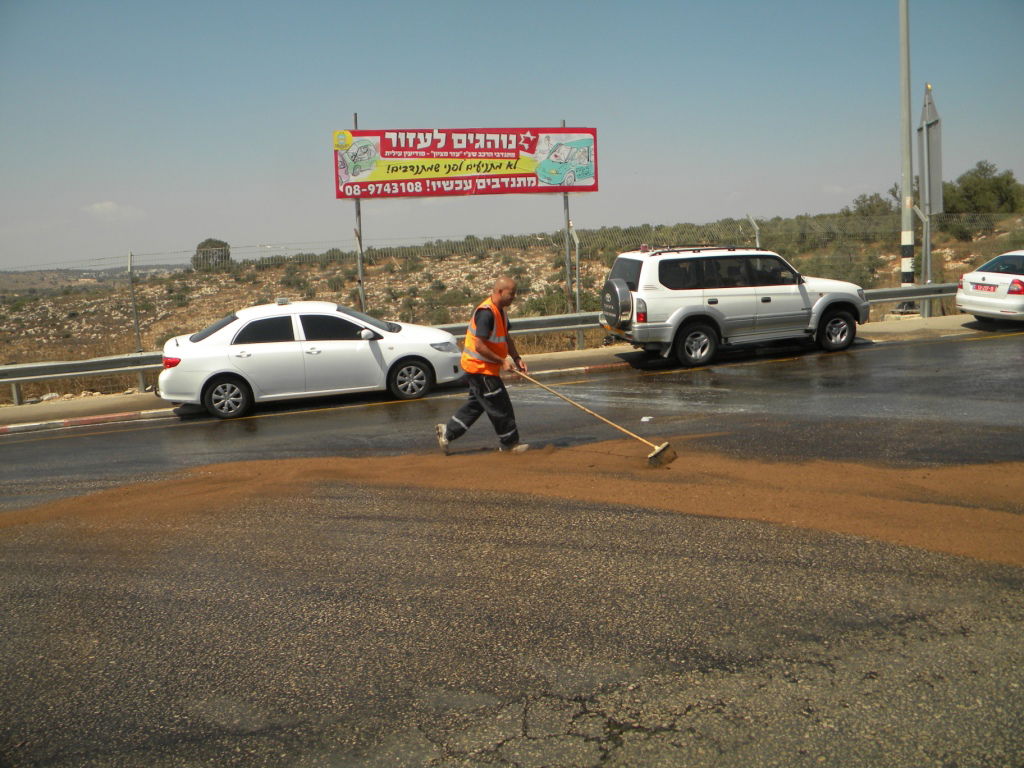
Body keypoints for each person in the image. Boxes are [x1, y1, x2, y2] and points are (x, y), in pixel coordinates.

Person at [436, 277, 529, 454]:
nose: (514, 297)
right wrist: (502, 361)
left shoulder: (500, 311)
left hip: (485, 367)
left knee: (478, 404)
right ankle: (510, 444)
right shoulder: (486, 313)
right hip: (479, 368)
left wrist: (516, 358)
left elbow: (506, 337)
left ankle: (447, 432)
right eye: (511, 294)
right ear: (500, 292)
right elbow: (479, 345)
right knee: (500, 405)